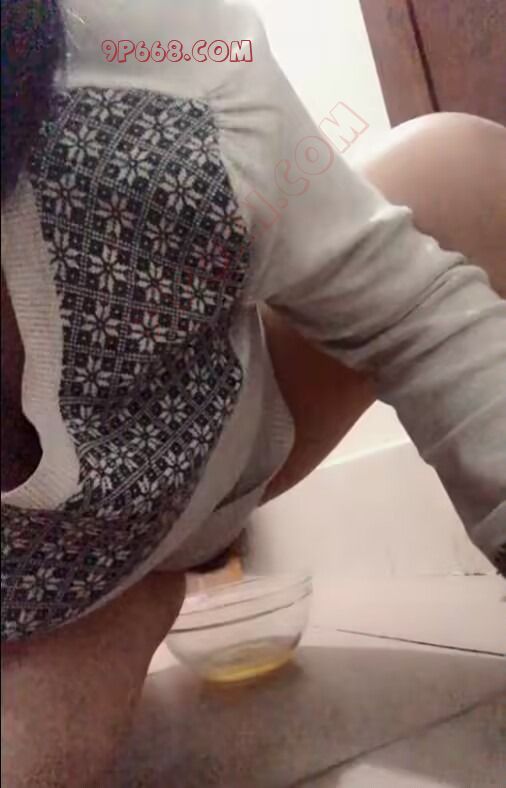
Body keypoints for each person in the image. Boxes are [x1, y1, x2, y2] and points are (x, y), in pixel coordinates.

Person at [2, 0, 505, 784]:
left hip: (227, 448)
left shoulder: (161, 54)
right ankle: (132, 602)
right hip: (45, 596)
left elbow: (417, 313)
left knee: (458, 170)